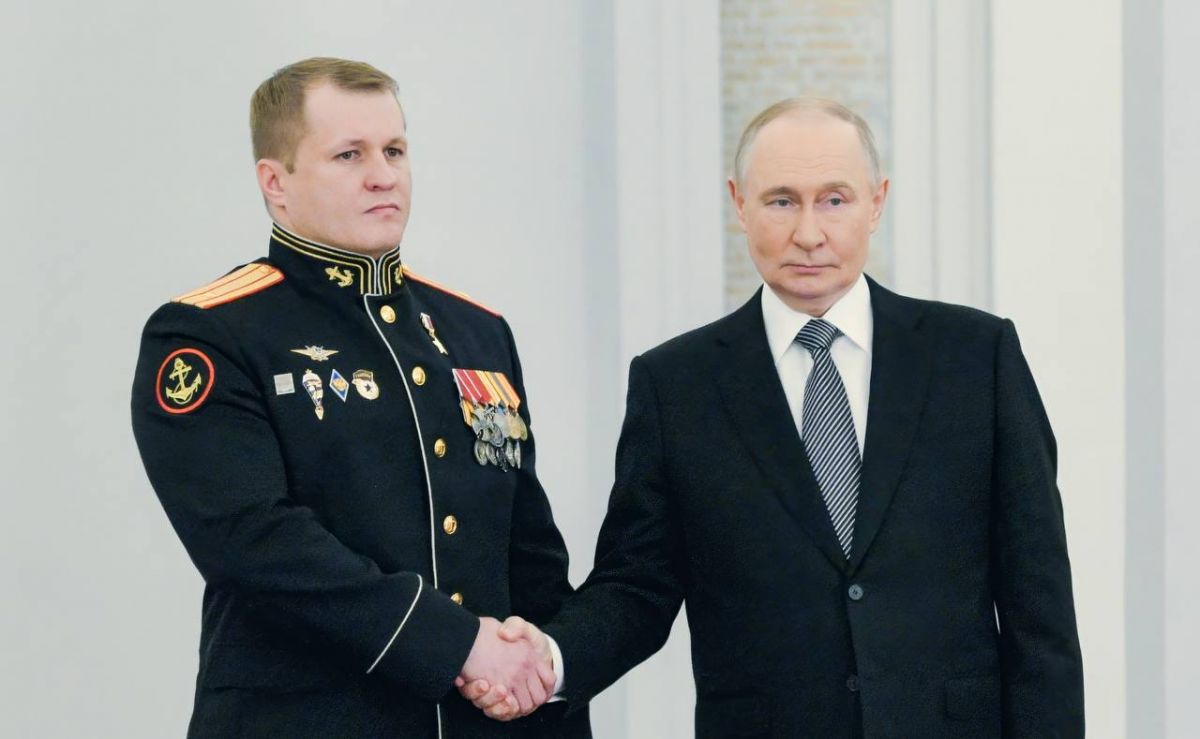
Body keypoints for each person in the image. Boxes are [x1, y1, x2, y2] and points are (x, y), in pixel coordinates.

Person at [464, 98, 1084, 738]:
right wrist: (551, 658)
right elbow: (636, 587)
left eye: (835, 200)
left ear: (877, 201)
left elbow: (1039, 606)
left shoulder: (977, 357)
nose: (809, 234)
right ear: (739, 203)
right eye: (782, 201)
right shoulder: (676, 385)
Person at [130, 57, 588, 738]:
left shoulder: (476, 331)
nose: (383, 175)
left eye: (395, 150)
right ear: (275, 183)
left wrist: (545, 680)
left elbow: (531, 559)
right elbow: (254, 543)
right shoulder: (209, 333)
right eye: (350, 154)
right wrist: (457, 642)